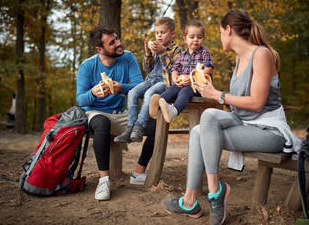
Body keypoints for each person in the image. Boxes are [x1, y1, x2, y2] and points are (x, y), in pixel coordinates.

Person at [161, 9, 302, 225]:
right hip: (243, 120)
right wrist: (212, 93)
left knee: (201, 134)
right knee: (205, 121)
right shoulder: (239, 58)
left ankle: (207, 195)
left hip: (269, 130)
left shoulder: (262, 54)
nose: (219, 37)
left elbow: (257, 103)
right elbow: (235, 102)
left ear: (228, 30)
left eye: (219, 32)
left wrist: (217, 95)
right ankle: (199, 197)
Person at [76, 26, 155, 200]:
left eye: (117, 38)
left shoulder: (128, 57)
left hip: (121, 113)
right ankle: (104, 180)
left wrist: (121, 88)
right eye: (112, 42)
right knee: (102, 123)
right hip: (96, 113)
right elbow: (80, 100)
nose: (119, 43)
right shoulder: (87, 66)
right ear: (100, 49)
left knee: (156, 125)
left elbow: (139, 87)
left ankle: (139, 172)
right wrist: (93, 93)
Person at [114, 17, 182, 144]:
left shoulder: (177, 50)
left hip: (165, 82)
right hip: (150, 80)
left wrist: (162, 52)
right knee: (133, 92)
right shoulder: (155, 48)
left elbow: (172, 69)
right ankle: (130, 128)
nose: (159, 35)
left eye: (163, 32)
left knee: (149, 93)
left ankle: (140, 127)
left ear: (172, 34)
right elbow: (147, 68)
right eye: (157, 33)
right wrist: (148, 53)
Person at [149, 20, 214, 123]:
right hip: (183, 83)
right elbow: (175, 68)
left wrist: (193, 78)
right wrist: (175, 78)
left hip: (198, 86)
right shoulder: (182, 55)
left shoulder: (204, 53)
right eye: (192, 37)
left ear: (203, 39)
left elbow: (208, 69)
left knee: (184, 92)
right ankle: (157, 105)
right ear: (185, 39)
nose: (196, 40)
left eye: (199, 37)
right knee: (171, 89)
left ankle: (174, 110)